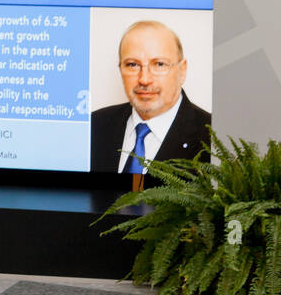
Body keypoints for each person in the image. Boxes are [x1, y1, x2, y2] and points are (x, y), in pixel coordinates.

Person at [89, 20, 211, 187]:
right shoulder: (94, 126)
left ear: (182, 71)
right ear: (120, 69)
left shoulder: (213, 138)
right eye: (132, 65)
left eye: (159, 64)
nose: (144, 79)